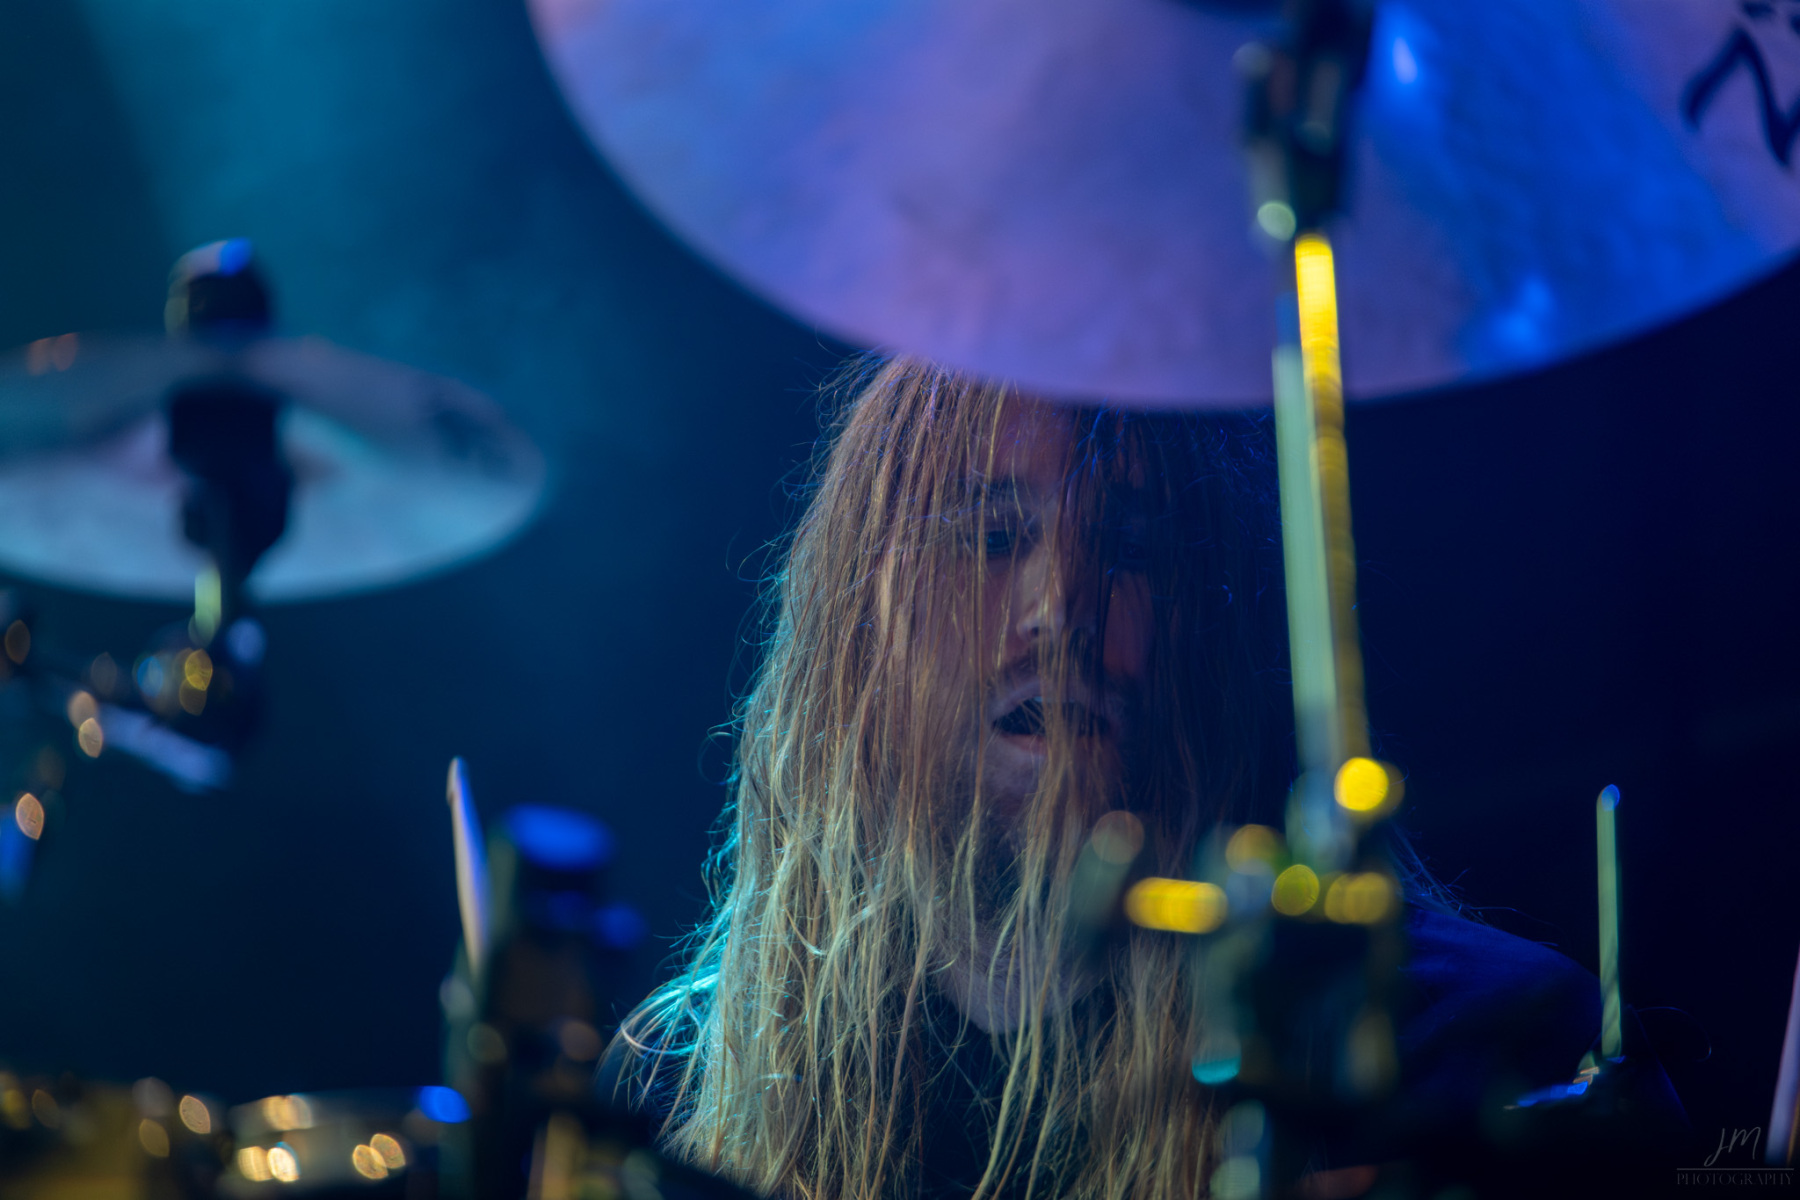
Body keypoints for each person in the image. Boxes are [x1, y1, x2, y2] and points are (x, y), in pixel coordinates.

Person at [598, 358, 1674, 1200]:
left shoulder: (1478, 1055)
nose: (1060, 604)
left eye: (1134, 548)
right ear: (854, 634)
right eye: (990, 536)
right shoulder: (685, 1087)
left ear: (1219, 634)